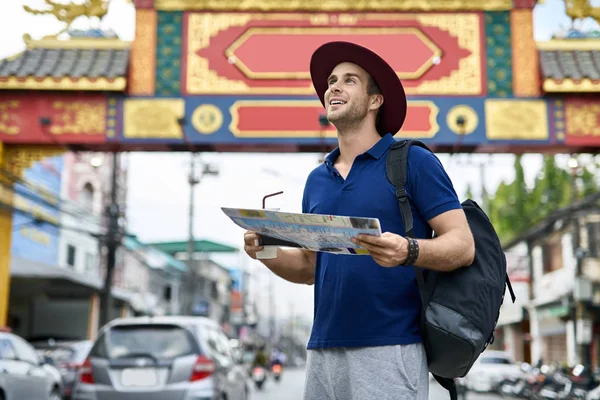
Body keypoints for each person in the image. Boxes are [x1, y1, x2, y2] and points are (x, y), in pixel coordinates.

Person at [243, 41, 475, 400]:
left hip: (391, 347)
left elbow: (462, 245)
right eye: (331, 80)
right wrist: (265, 252)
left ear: (374, 100)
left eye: (350, 80)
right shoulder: (315, 180)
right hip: (322, 350)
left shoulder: (412, 161)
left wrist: (409, 250)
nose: (333, 86)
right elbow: (309, 268)